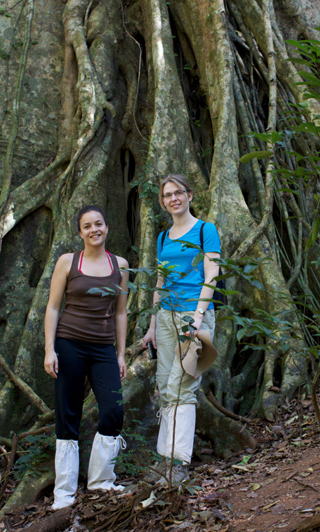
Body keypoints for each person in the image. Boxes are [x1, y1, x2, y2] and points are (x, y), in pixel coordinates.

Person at [44, 206, 129, 510]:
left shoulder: (120, 265)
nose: (94, 230)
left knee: (113, 410)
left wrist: (121, 353)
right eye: (87, 226)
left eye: (99, 224)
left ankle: (101, 482)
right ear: (80, 232)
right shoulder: (68, 262)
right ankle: (64, 492)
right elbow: (53, 307)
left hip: (103, 348)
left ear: (107, 227)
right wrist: (49, 349)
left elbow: (121, 311)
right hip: (69, 345)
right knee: (68, 414)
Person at [141, 174, 221, 484]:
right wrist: (152, 324)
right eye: (167, 195)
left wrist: (198, 317)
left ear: (189, 195)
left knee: (183, 384)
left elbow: (212, 273)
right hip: (165, 316)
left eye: (178, 193)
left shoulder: (205, 230)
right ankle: (164, 460)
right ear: (162, 202)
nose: (173, 199)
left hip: (194, 314)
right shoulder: (163, 238)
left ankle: (178, 463)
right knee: (165, 385)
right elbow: (160, 281)